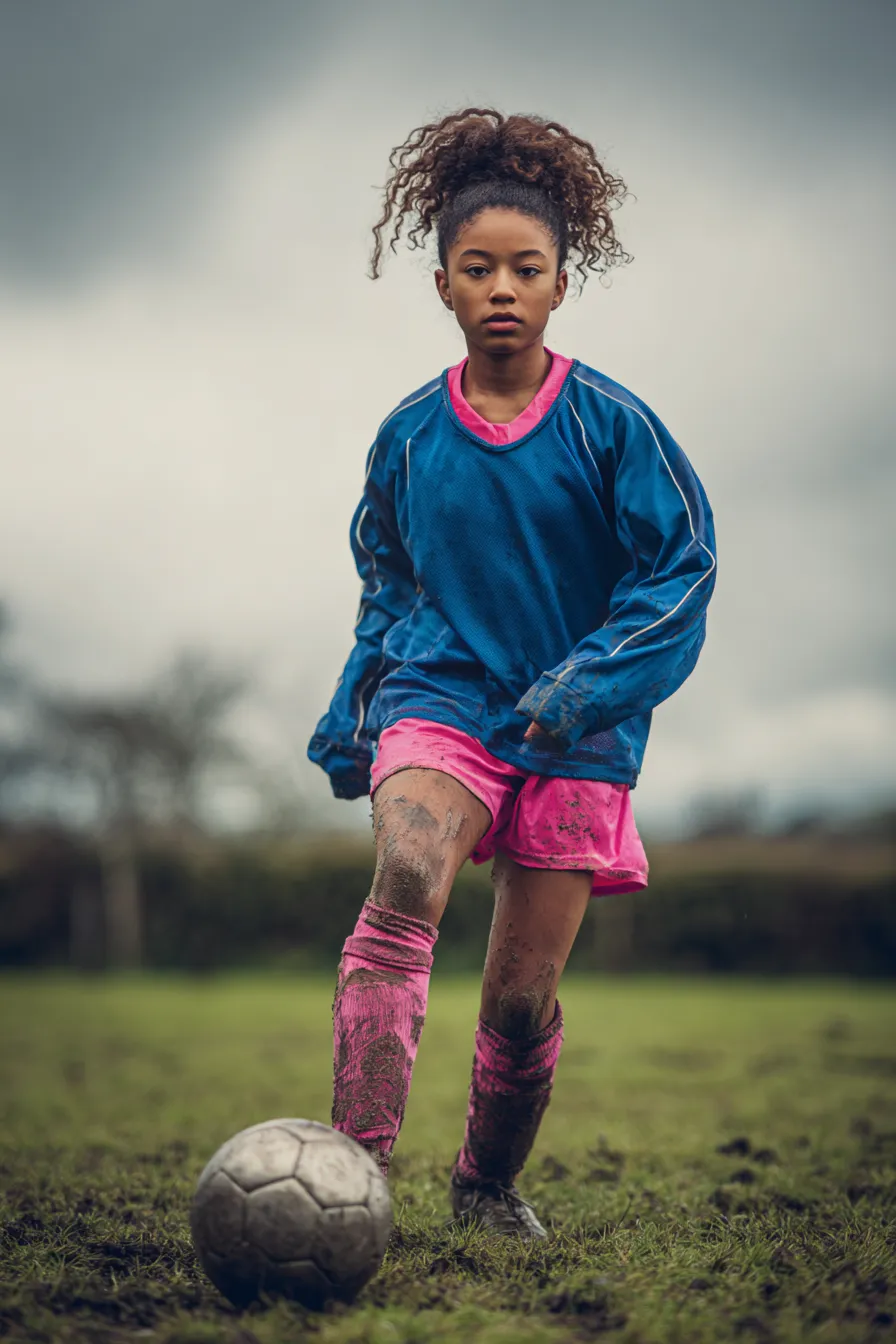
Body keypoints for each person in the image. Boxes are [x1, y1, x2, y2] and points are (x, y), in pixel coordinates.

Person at [308, 108, 717, 1239]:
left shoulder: (611, 426)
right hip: (439, 702)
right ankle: (352, 1177)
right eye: (476, 268)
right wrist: (356, 708)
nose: (501, 287)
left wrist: (588, 682)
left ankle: (485, 1188)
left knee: (521, 998)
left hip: (578, 734)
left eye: (524, 269)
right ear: (441, 284)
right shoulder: (404, 438)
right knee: (407, 873)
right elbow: (385, 581)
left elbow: (679, 572)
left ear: (558, 283)